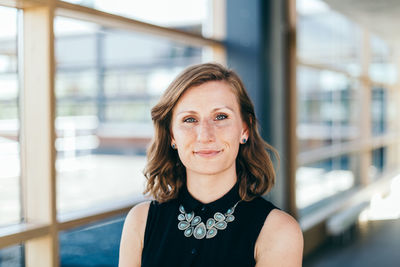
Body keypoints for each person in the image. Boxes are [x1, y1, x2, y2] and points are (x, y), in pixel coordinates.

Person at [119, 63, 303, 267]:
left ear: (245, 129)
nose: (205, 135)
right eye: (190, 119)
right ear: (172, 134)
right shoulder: (140, 221)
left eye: (221, 116)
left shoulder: (279, 231)